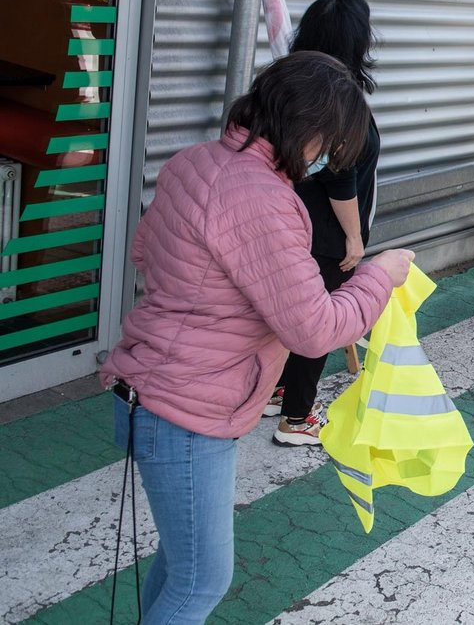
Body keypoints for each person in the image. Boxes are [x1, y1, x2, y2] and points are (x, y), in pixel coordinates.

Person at [100, 52, 417, 621]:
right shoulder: (262, 199)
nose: (324, 158)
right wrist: (378, 276)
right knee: (201, 582)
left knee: (181, 568)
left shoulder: (196, 161)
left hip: (148, 389)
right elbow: (315, 329)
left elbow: (145, 252)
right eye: (328, 144)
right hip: (186, 410)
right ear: (307, 130)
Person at [262, 0, 383, 447]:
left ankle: (277, 391)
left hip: (287, 220)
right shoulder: (339, 94)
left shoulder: (290, 81)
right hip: (325, 232)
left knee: (284, 315)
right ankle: (297, 418)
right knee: (317, 323)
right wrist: (354, 238)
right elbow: (342, 176)